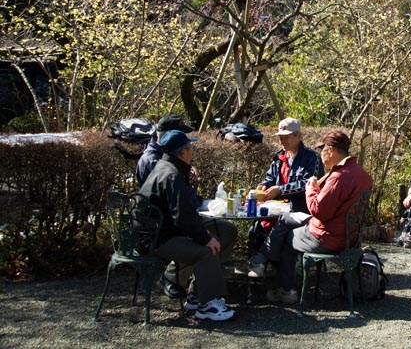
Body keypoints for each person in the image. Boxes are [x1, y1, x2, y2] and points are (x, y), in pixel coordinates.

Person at [264, 130, 373, 304]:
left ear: (331, 151)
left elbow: (318, 210)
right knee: (287, 220)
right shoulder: (360, 174)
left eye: (322, 150)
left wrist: (311, 188)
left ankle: (285, 289)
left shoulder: (338, 177)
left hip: (329, 237)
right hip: (350, 236)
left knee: (288, 236)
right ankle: (263, 261)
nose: (321, 155)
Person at [139, 131, 238, 321]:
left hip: (164, 230)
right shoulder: (171, 175)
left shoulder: (167, 167)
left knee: (225, 230)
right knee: (207, 250)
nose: (192, 151)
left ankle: (196, 294)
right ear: (183, 152)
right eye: (190, 148)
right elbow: (182, 217)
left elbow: (183, 212)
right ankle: (207, 304)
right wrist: (205, 239)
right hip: (158, 239)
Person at [240, 118, 324, 276]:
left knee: (278, 225)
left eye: (287, 136)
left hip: (300, 210)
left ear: (298, 136)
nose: (282, 140)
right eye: (280, 136)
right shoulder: (279, 157)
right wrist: (263, 186)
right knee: (256, 228)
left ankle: (263, 263)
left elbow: (308, 184)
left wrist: (280, 190)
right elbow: (270, 178)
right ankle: (263, 265)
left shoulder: (313, 158)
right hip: (275, 207)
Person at [135, 114, 195, 186]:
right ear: (169, 135)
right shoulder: (152, 161)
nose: (185, 138)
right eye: (180, 135)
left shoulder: (165, 154)